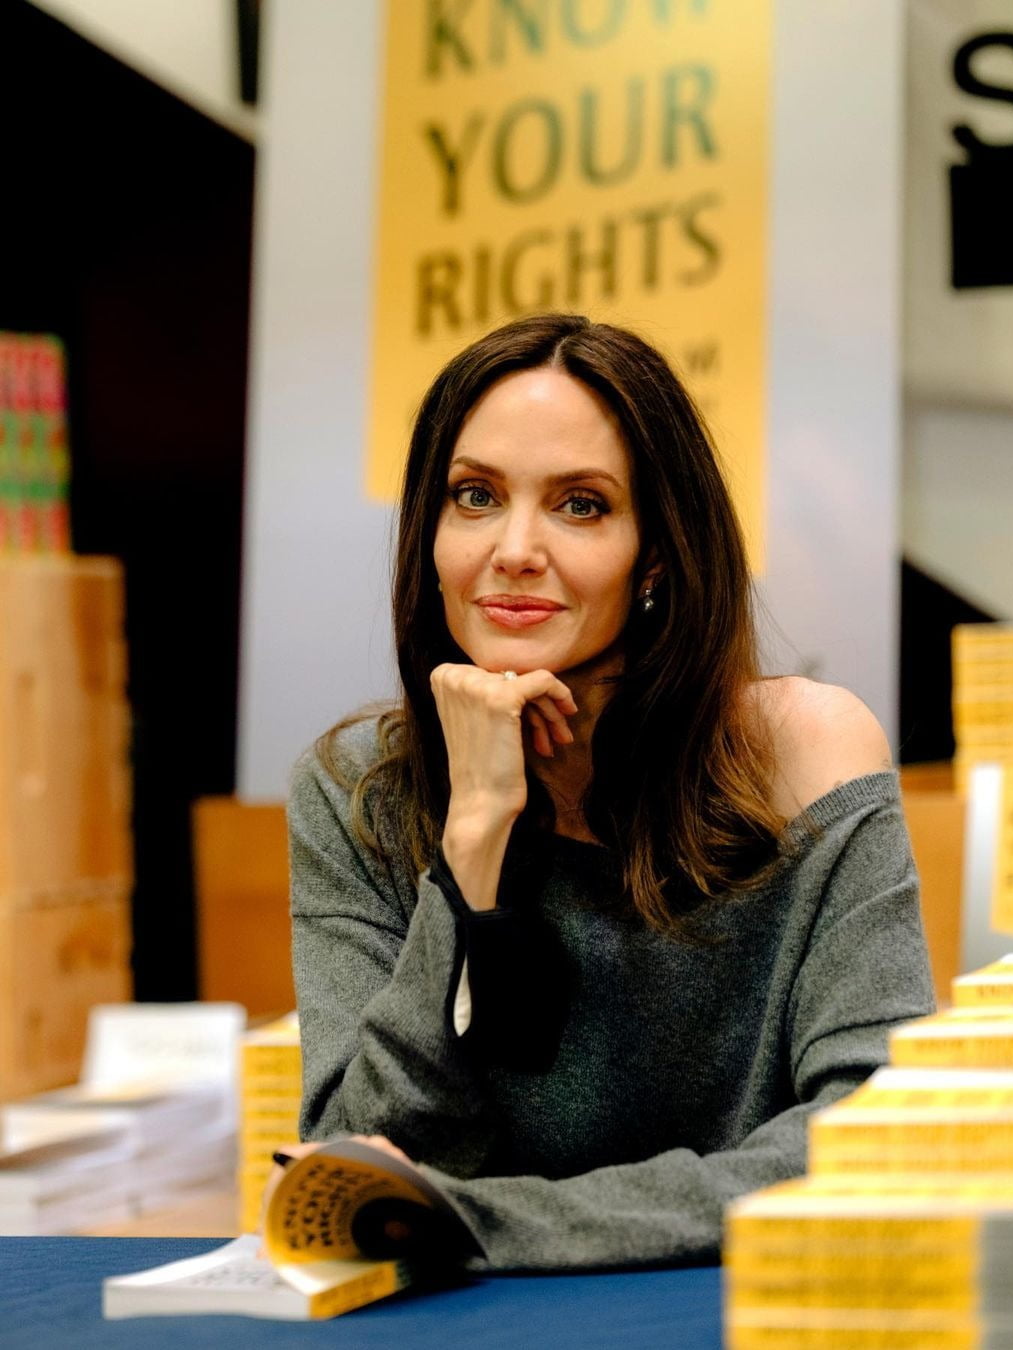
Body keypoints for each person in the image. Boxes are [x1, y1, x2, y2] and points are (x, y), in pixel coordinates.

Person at [287, 312, 934, 1272]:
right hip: (470, 1327)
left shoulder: (805, 757)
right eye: (475, 496)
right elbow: (354, 1172)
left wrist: (489, 1226)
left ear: (657, 555)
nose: (514, 548)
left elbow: (878, 1130)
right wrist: (470, 852)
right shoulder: (356, 793)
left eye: (581, 505)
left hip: (744, 1304)